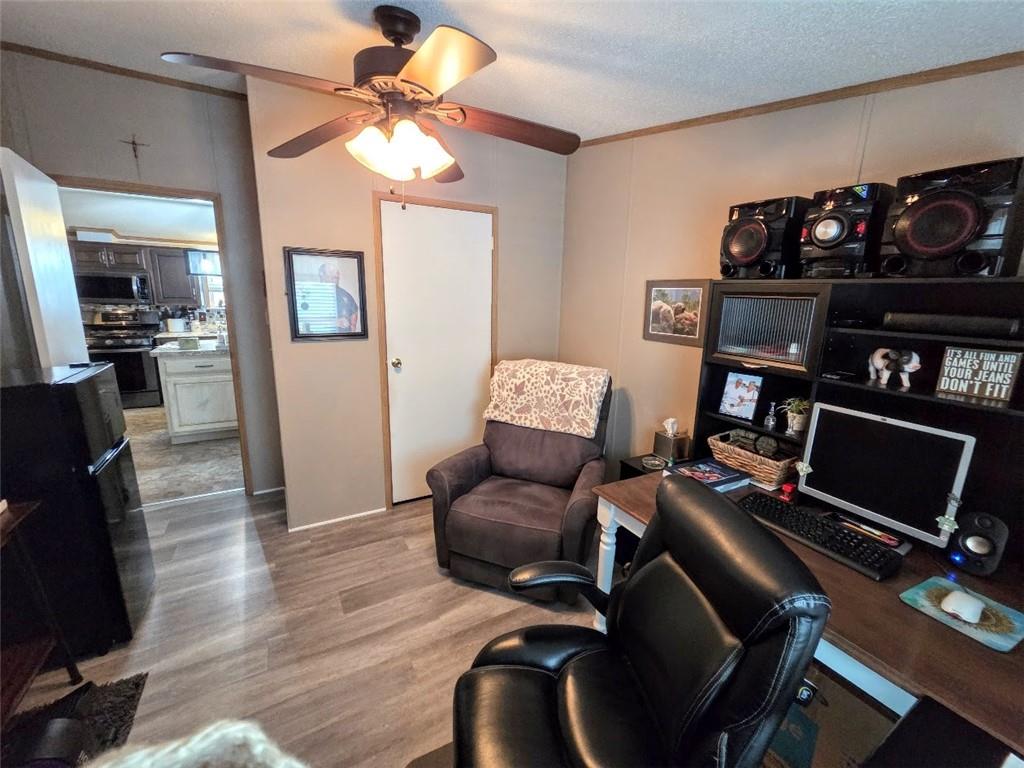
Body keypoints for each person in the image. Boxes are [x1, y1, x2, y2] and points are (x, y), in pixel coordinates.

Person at [318, 262, 361, 333]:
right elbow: (305, 322)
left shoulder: (346, 296)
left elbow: (354, 317)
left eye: (337, 275)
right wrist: (334, 322)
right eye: (331, 274)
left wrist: (352, 331)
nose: (336, 277)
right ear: (322, 275)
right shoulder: (312, 295)